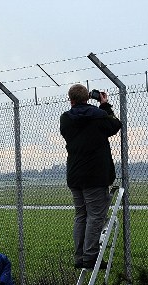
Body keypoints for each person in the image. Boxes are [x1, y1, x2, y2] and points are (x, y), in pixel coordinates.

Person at [60, 84, 122, 269]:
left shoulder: (65, 119)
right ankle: (90, 256)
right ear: (88, 98)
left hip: (75, 174)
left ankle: (80, 256)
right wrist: (105, 105)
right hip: (95, 174)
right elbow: (115, 124)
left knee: (81, 215)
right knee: (96, 216)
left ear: (70, 99)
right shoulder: (98, 116)